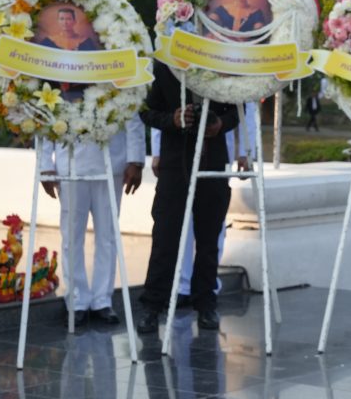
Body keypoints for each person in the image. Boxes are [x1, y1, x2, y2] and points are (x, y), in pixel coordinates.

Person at [136, 64, 239, 333]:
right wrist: (172, 120)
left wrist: (220, 124)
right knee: (165, 236)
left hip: (212, 160)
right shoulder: (164, 67)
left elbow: (236, 113)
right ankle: (152, 305)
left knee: (209, 238)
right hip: (175, 162)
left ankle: (206, 304)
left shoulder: (220, 63)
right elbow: (145, 111)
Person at [149, 101, 257, 306]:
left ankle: (208, 287)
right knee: (182, 222)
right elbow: (164, 103)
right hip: (178, 152)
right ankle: (182, 285)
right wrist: (157, 151)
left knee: (212, 225)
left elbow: (245, 106)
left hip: (216, 149)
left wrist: (246, 151)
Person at [39, 122, 145, 326]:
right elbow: (47, 119)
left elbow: (132, 115)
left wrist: (136, 160)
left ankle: (102, 300)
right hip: (70, 163)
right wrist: (45, 164)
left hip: (111, 161)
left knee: (108, 236)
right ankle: (76, 300)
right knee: (71, 237)